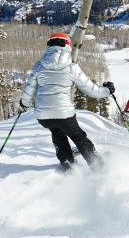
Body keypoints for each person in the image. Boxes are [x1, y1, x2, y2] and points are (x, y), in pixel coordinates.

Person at [19, 32, 115, 171]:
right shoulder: (71, 67)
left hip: (43, 116)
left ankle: (67, 163)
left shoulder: (39, 66)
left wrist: (24, 103)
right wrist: (107, 91)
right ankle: (97, 166)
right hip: (64, 115)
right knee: (79, 137)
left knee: (57, 134)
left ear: (49, 46)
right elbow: (90, 89)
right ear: (68, 46)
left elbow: (29, 90)